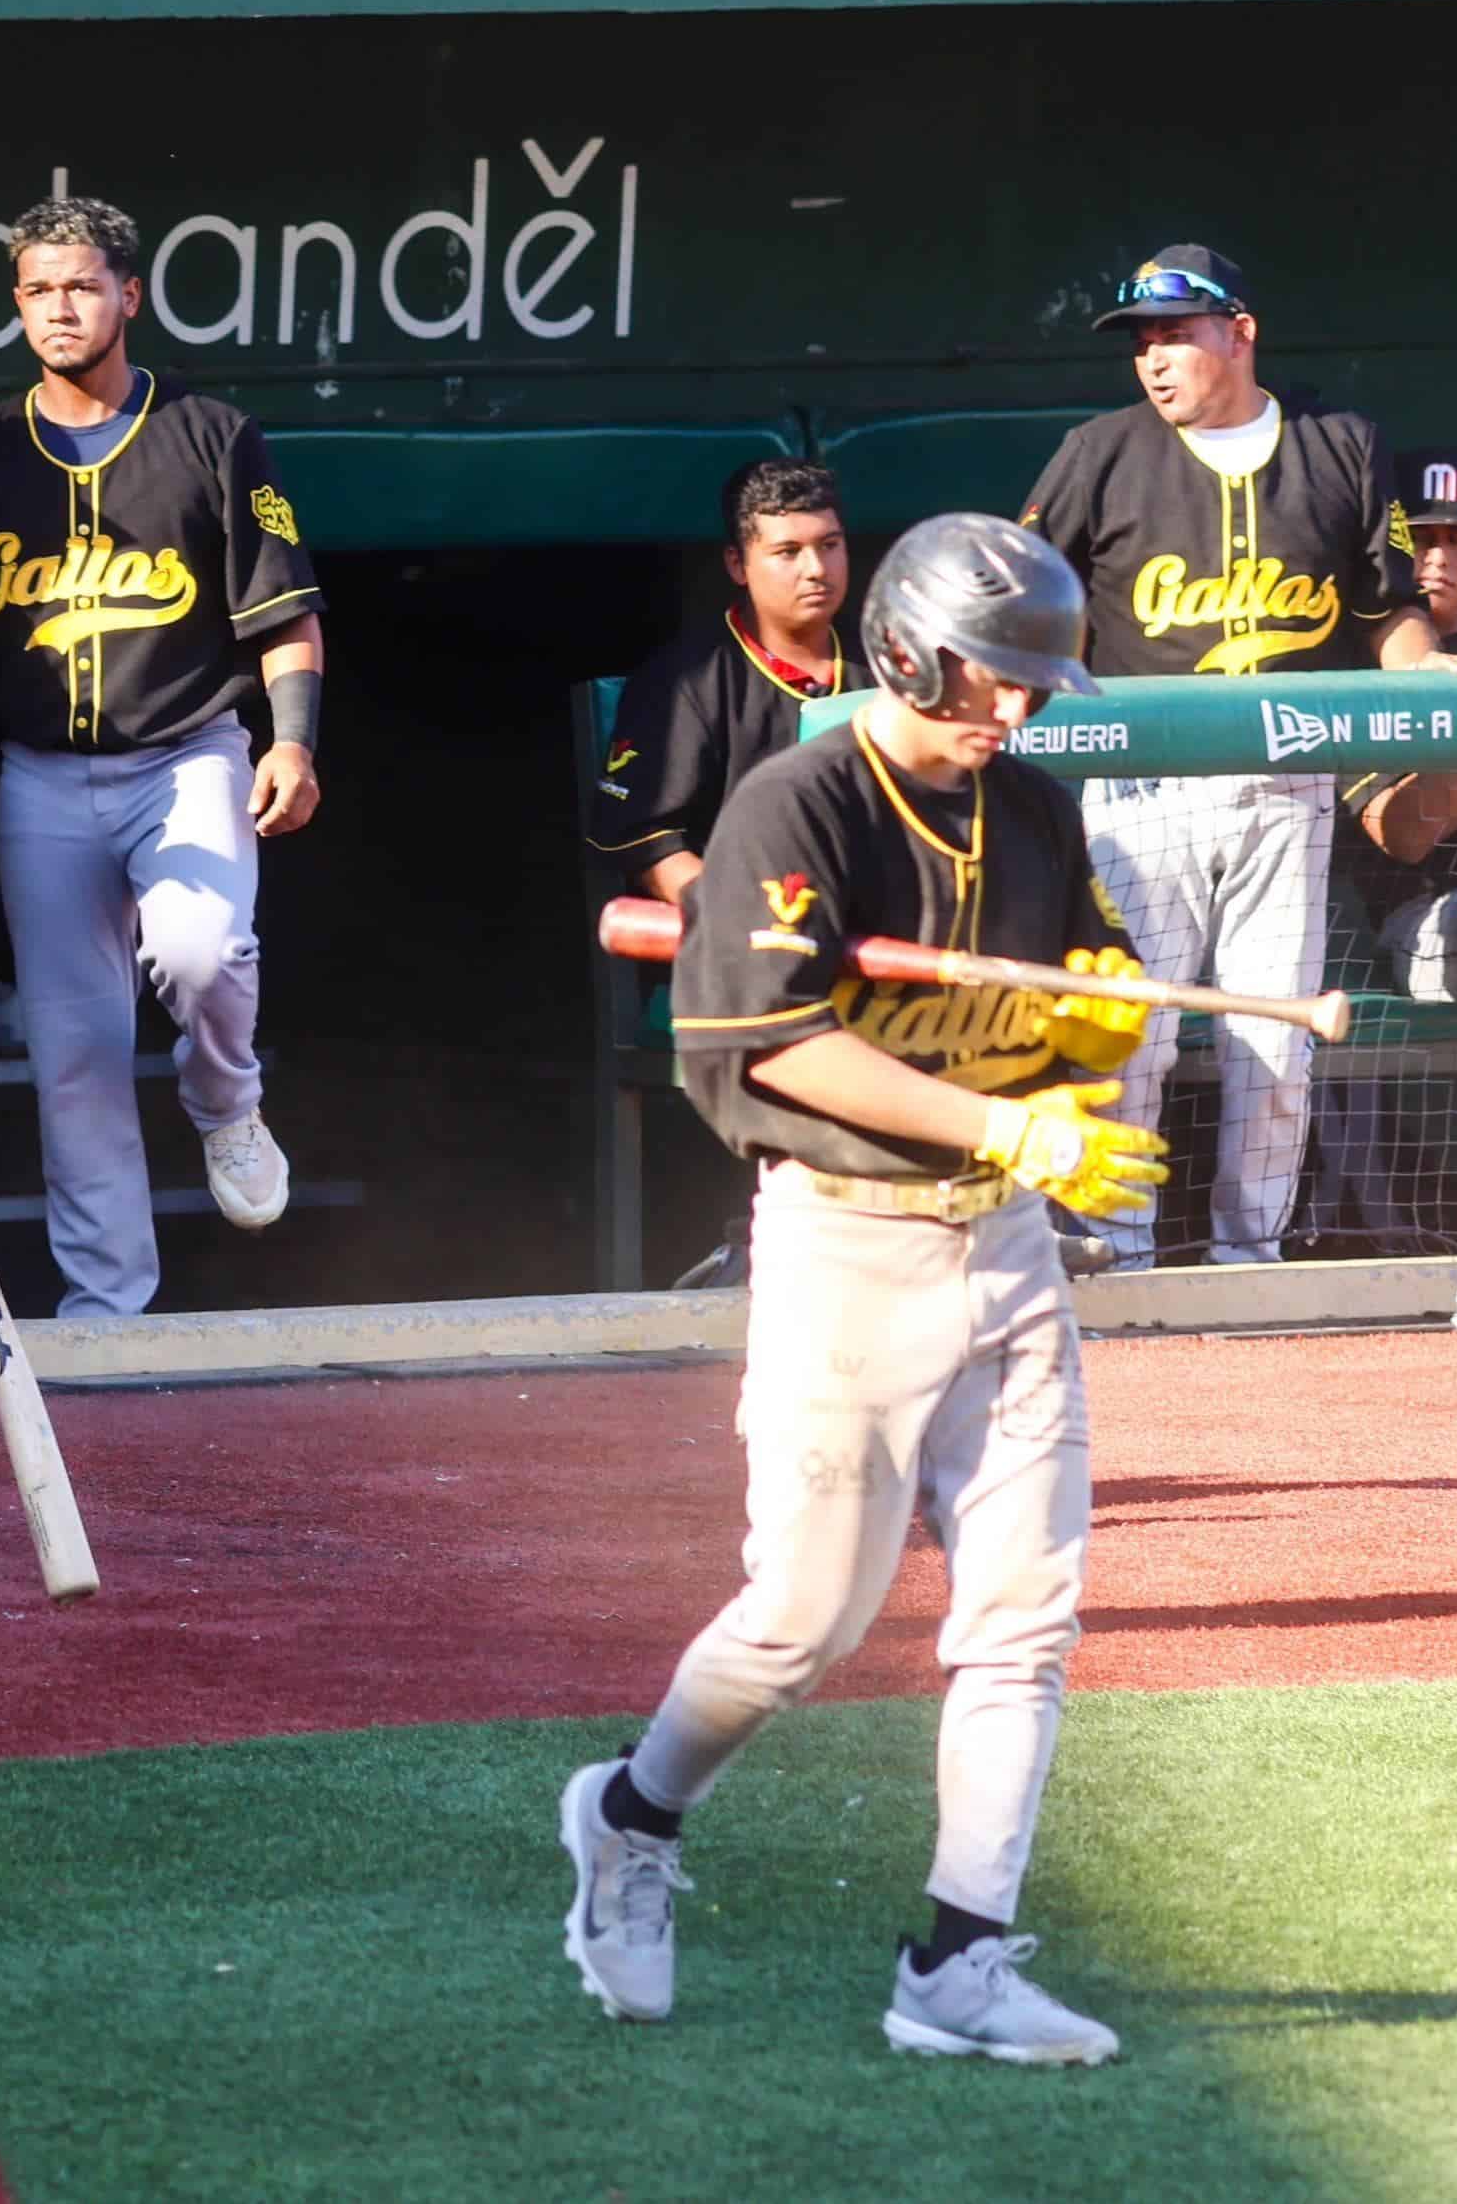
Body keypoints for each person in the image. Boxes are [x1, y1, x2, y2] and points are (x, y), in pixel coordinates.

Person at [561, 513, 1162, 2067]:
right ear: (908, 649)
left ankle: (958, 1958)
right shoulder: (797, 801)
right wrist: (1004, 1118)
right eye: (995, 677)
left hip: (1007, 1251)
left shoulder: (1030, 807)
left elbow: (1068, 1015)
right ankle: (631, 1817)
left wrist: (1095, 1040)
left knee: (1023, 1618)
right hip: (844, 1244)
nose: (1018, 709)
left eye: (1036, 684)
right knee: (804, 1620)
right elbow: (774, 1044)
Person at [0, 193, 325, 1322]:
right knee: (72, 1049)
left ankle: (226, 1099)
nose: (60, 306)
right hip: (40, 772)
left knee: (203, 947)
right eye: (37, 289)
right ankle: (105, 1300)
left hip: (186, 753)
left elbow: (282, 611)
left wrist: (292, 740)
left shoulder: (208, 433)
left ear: (128, 294)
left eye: (81, 284)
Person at [1018, 243, 1457, 1267]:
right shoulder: (1096, 449)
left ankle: (1246, 1259)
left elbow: (1383, 607)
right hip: (1138, 780)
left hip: (1286, 779)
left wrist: (1430, 672)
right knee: (1130, 1034)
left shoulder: (1341, 443)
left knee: (1272, 1044)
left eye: (1174, 333)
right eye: (1141, 340)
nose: (1153, 358)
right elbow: (1023, 598)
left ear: (1239, 330)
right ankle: (1113, 1249)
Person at [591, 458, 854, 905]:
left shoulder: (894, 665)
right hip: (750, 940)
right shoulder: (684, 682)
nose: (816, 568)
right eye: (788, 552)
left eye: (829, 544)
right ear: (738, 565)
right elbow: (645, 841)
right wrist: (744, 915)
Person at [1337, 449, 1457, 1006]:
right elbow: (1399, 835)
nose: (1437, 558)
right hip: (1417, 920)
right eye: (1422, 538)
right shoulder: (1355, 661)